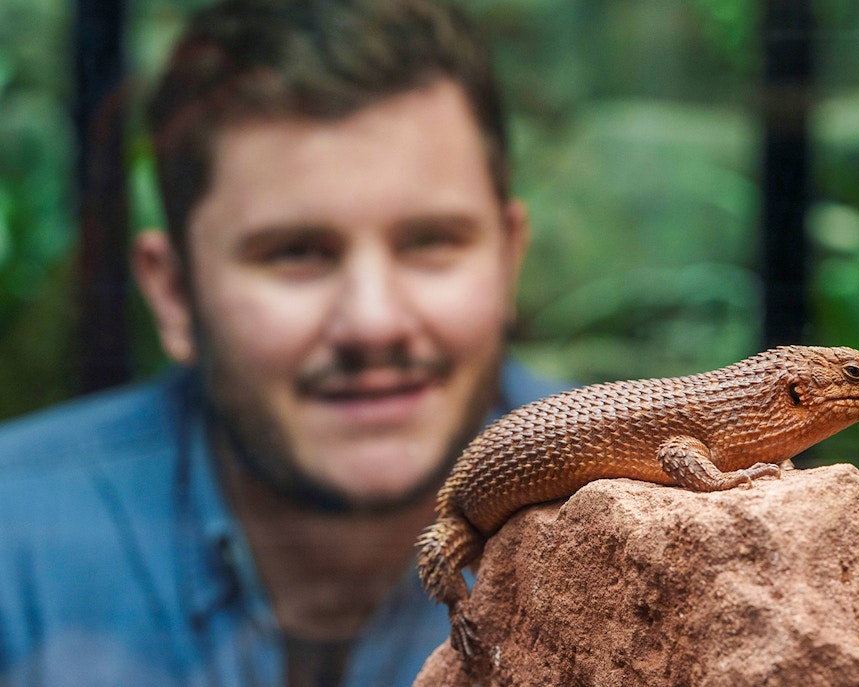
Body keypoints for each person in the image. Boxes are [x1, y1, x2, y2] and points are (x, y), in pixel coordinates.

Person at [0, 0, 564, 684]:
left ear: (508, 259)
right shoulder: (18, 541)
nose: (373, 322)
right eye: (296, 253)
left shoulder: (626, 509)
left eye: (431, 243)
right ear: (173, 293)